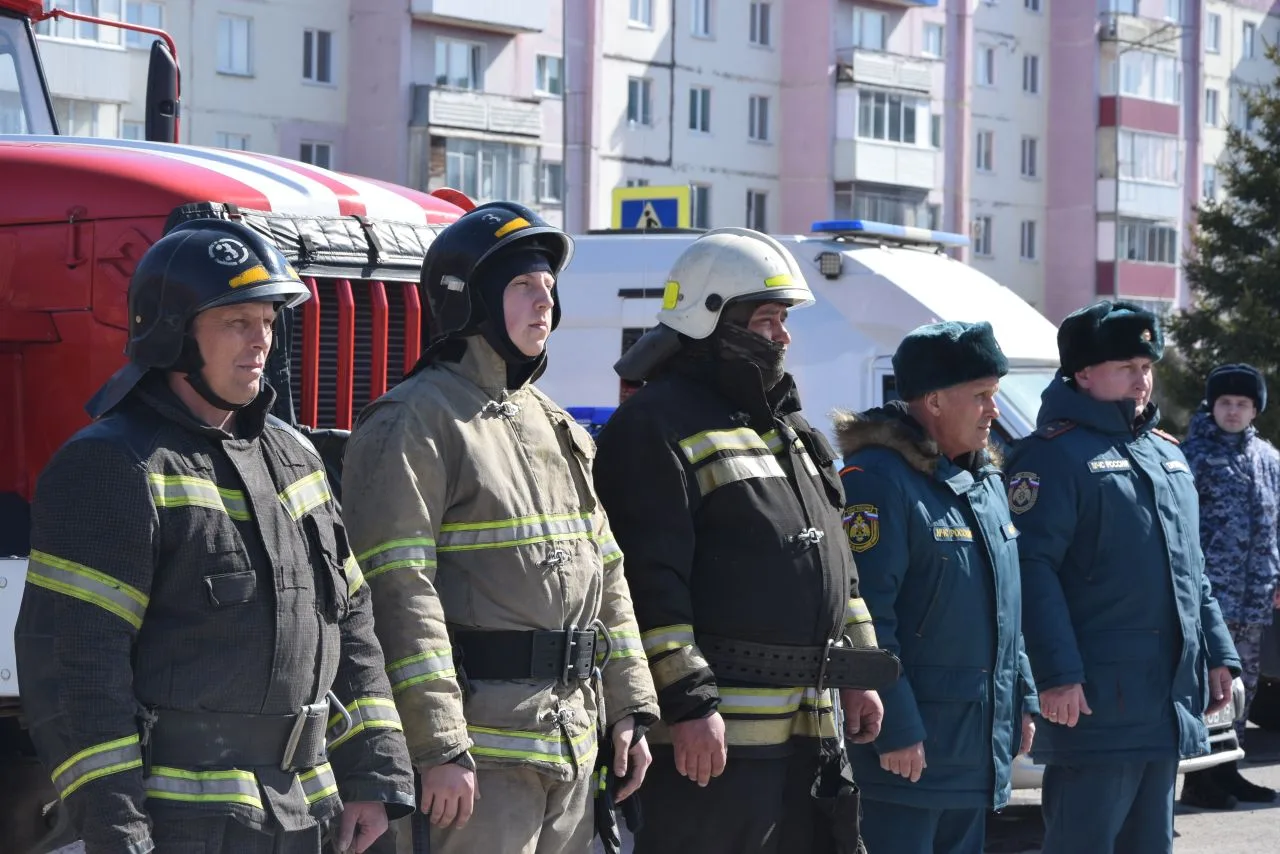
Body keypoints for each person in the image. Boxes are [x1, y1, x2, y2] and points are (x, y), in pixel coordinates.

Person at [14, 218, 415, 854]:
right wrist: (118, 833)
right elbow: (77, 670)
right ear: (173, 335)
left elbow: (352, 623)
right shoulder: (112, 466)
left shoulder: (296, 457)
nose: (261, 341)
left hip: (310, 815)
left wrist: (373, 774)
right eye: (237, 322)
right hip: (183, 826)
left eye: (268, 321)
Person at [340, 202, 660, 854]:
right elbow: (398, 593)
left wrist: (630, 705)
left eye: (549, 287)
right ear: (471, 299)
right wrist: (438, 744)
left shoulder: (558, 425)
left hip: (572, 746)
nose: (545, 302)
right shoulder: (413, 420)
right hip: (477, 760)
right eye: (521, 286)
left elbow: (609, 575)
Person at [591, 228, 901, 854]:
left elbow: (837, 564)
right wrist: (689, 705)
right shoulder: (654, 426)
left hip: (809, 736)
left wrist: (858, 670)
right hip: (715, 746)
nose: (783, 337)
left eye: (784, 320)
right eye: (766, 320)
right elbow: (648, 583)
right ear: (712, 321)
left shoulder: (791, 429)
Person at [1006, 300, 1241, 854]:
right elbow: (1031, 572)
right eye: (1127, 367)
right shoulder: (1051, 457)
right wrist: (1056, 675)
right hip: (1094, 702)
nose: (1143, 380)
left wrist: (1219, 654)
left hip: (1164, 699)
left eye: (1147, 366)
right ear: (1083, 374)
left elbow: (1192, 570)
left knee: (1150, 844)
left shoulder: (1166, 455)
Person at [833, 321, 1038, 854]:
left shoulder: (984, 482)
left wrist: (1021, 700)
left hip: (971, 747)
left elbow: (1006, 608)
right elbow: (865, 614)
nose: (994, 410)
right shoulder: (878, 479)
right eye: (981, 395)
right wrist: (896, 727)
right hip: (909, 752)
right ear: (934, 401)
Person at [1179, 363, 1279, 807]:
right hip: (1209, 597)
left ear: (1255, 410)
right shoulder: (1191, 456)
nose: (1233, 411)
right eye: (1225, 403)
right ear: (1211, 406)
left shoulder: (1269, 459)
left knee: (1245, 686)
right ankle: (1201, 778)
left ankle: (1228, 770)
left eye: (1242, 404)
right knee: (1208, 686)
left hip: (1254, 595)